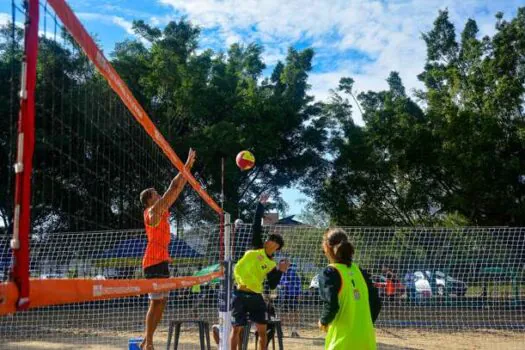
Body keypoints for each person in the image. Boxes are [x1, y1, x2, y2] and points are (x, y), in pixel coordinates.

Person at [138, 148, 196, 350]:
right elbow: (173, 187)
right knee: (155, 303)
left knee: (161, 303)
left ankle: (147, 339)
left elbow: (177, 188)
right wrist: (185, 165)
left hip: (161, 260)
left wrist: (187, 170)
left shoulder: (162, 211)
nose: (159, 194)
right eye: (155, 194)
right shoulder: (151, 212)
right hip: (152, 262)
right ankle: (149, 343)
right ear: (149, 200)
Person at [230, 194, 290, 350]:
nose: (268, 241)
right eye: (268, 238)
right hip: (240, 293)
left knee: (263, 331)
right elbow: (256, 225)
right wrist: (260, 205)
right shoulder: (257, 246)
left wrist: (281, 271)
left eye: (272, 240)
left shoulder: (271, 264)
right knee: (236, 328)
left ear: (276, 246)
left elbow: (272, 284)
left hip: (256, 296)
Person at [318, 228, 381, 350]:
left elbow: (332, 305)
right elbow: (376, 303)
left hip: (342, 342)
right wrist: (364, 325)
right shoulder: (360, 271)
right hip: (365, 340)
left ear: (326, 247)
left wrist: (323, 321)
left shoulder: (329, 272)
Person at [277, 262, 301, 337]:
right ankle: (280, 331)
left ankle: (294, 331)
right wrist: (281, 286)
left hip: (293, 295)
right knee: (283, 313)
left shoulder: (293, 273)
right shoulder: (280, 273)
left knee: (294, 313)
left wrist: (299, 293)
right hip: (284, 296)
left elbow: (298, 283)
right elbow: (277, 283)